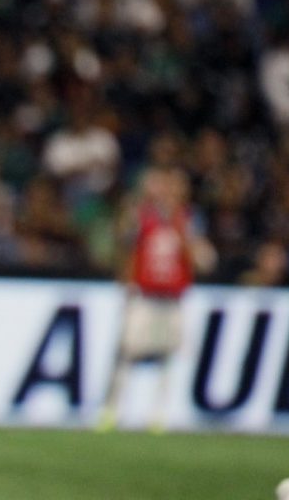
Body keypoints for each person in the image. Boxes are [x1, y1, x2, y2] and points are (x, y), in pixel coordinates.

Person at [99, 165, 215, 432]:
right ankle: (111, 410)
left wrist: (182, 229)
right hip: (145, 293)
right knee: (127, 351)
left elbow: (200, 260)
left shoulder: (188, 220)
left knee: (167, 355)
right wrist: (127, 282)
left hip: (173, 297)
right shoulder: (142, 216)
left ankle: (158, 414)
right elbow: (127, 247)